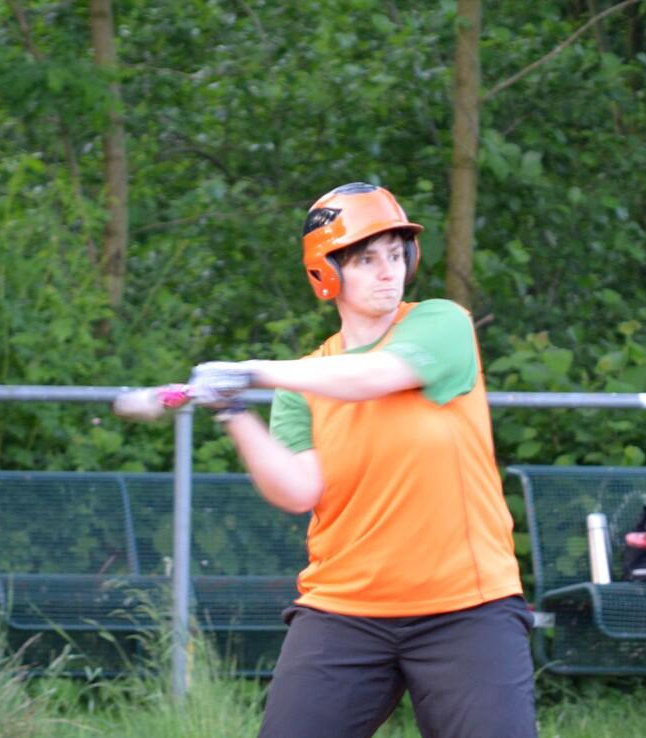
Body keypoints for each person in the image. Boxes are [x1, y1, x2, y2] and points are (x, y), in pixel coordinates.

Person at [189, 182, 536, 738]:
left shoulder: (442, 323)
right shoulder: (303, 380)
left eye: (396, 255)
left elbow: (372, 376)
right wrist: (233, 411)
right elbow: (298, 491)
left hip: (466, 606)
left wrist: (251, 370)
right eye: (366, 259)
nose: (387, 271)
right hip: (345, 607)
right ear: (326, 273)